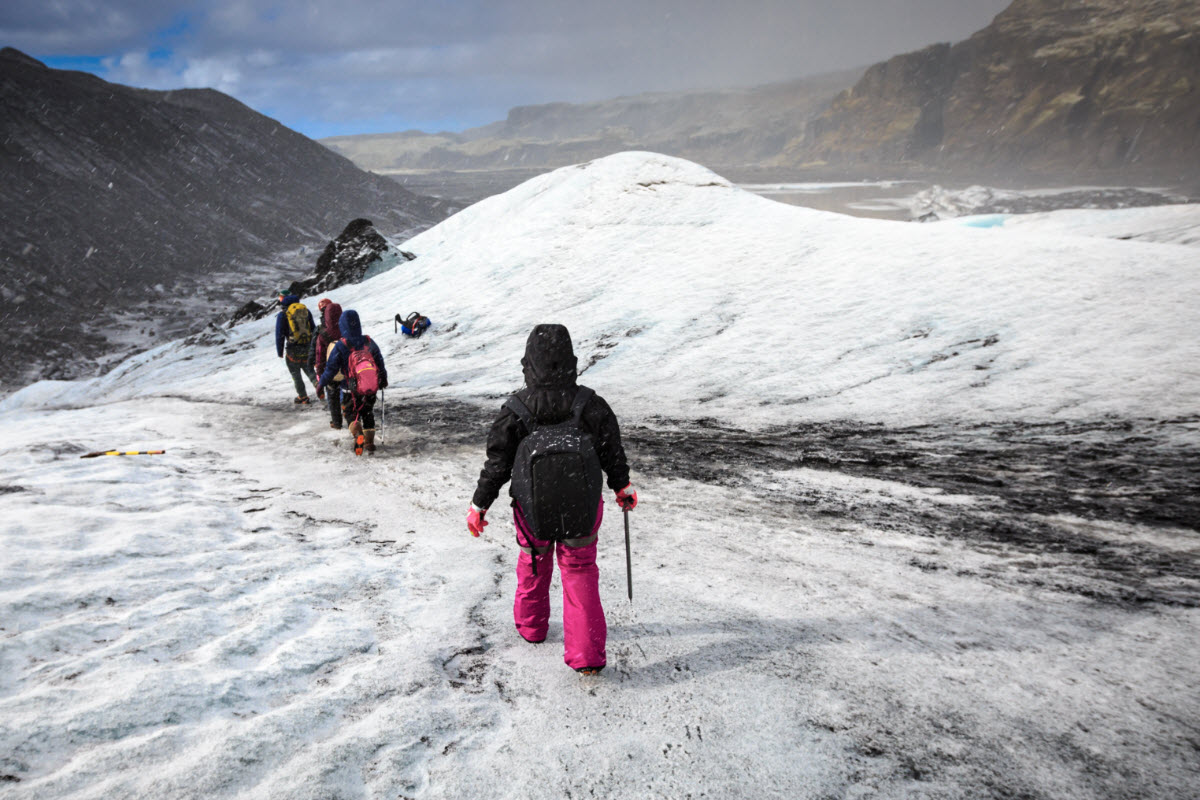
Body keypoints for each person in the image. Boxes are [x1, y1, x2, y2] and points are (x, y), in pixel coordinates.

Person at [466, 323, 637, 675]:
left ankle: (532, 629)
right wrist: (622, 487)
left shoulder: (515, 408)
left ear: (528, 363)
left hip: (531, 508)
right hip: (582, 505)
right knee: (580, 570)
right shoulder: (591, 404)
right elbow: (612, 453)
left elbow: (497, 464)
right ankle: (587, 657)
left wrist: (479, 506)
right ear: (571, 361)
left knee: (533, 563)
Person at [316, 309, 388, 455]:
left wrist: (321, 384)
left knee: (351, 415)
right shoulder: (368, 341)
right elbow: (379, 361)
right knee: (368, 413)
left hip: (349, 389)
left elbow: (330, 369)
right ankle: (369, 442)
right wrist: (383, 379)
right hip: (369, 387)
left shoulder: (341, 345)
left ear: (342, 326)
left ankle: (357, 434)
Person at [275, 291, 317, 404]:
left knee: (295, 373)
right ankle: (318, 385)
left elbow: (279, 334)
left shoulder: (283, 315)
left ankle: (302, 396)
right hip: (307, 346)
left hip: (292, 349)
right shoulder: (305, 311)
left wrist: (280, 351)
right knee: (309, 368)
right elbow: (313, 329)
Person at [312, 300, 344, 429]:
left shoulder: (323, 334)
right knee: (348, 394)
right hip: (348, 369)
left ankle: (337, 422)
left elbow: (319, 356)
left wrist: (320, 375)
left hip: (331, 372)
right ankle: (352, 418)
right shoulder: (346, 329)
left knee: (332, 397)